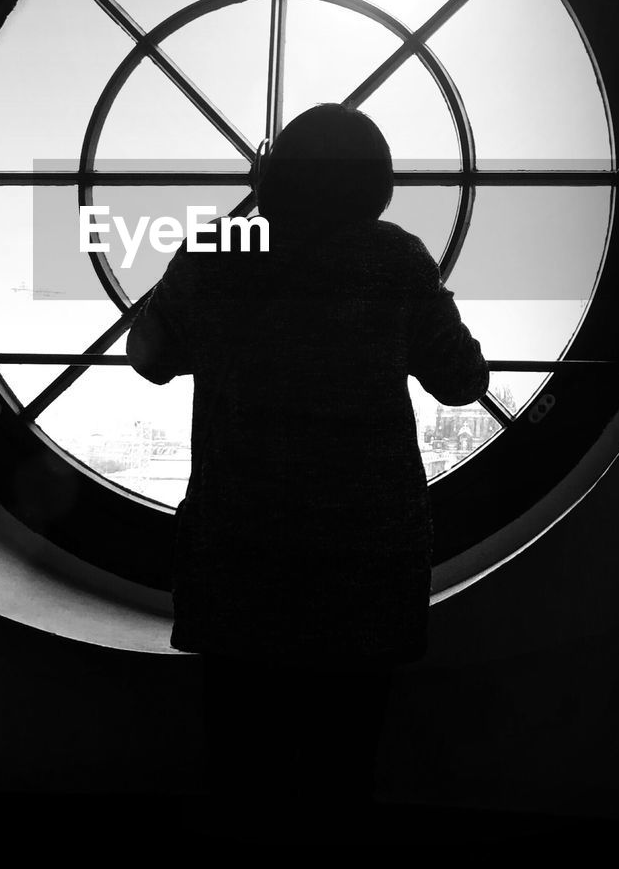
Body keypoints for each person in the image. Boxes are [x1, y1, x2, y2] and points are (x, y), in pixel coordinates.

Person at [126, 102, 489, 813]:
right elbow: (463, 381)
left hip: (239, 547)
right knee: (343, 766)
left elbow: (148, 355)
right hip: (366, 554)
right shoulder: (395, 260)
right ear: (376, 182)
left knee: (241, 764)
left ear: (274, 174)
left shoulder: (217, 253)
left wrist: (239, 217)